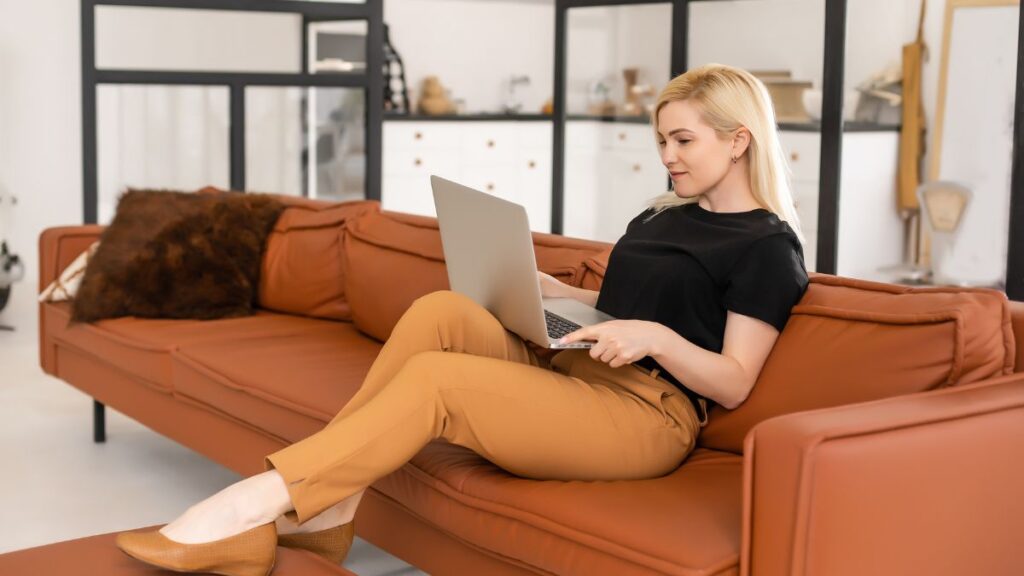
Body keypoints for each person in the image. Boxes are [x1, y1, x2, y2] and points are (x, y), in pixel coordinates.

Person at [114, 63, 809, 576]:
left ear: (739, 140)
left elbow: (734, 382)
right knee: (443, 310)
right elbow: (622, 314)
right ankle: (327, 507)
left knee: (439, 382)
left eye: (683, 141)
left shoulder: (766, 247)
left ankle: (250, 507)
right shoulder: (660, 216)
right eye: (661, 139)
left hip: (648, 416)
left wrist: (656, 338)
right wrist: (543, 287)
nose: (666, 157)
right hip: (579, 364)